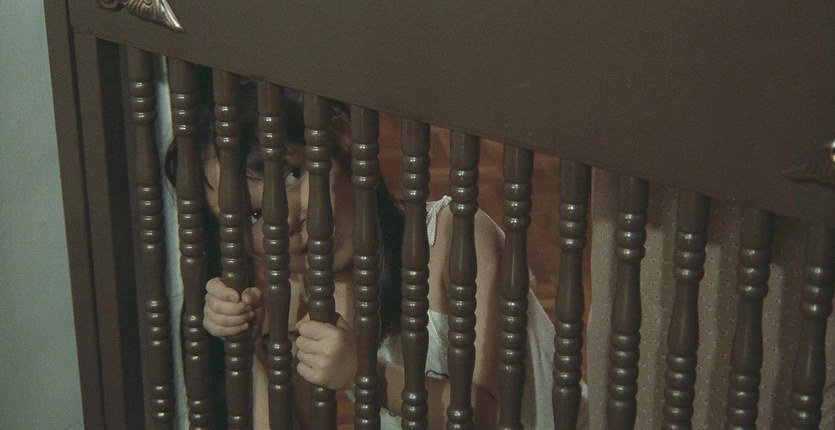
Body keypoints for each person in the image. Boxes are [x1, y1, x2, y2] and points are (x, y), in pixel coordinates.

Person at [167, 72, 562, 429]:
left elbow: (489, 414)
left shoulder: (454, 236)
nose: (282, 221)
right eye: (253, 214)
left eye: (291, 175)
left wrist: (363, 375)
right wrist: (250, 345)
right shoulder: (298, 296)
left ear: (341, 136)